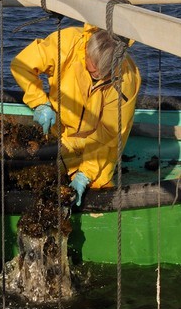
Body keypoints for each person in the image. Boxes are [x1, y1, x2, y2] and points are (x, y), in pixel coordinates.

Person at [10, 23, 140, 208]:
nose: (96, 78)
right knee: (33, 176)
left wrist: (85, 174)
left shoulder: (125, 81)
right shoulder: (66, 43)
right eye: (93, 71)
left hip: (99, 146)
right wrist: (40, 102)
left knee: (97, 188)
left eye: (102, 75)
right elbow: (21, 65)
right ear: (86, 51)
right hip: (61, 133)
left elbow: (108, 135)